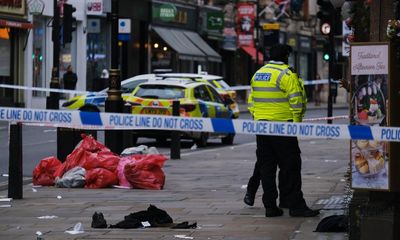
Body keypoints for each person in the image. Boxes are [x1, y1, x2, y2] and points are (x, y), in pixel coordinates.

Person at [245, 43, 320, 218]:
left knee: (267, 168)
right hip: (283, 127)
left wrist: (258, 118)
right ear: (286, 56)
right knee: (291, 166)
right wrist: (296, 124)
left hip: (262, 128)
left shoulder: (258, 74)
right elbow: (296, 101)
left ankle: (270, 206)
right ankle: (295, 205)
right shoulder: (286, 74)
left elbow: (251, 102)